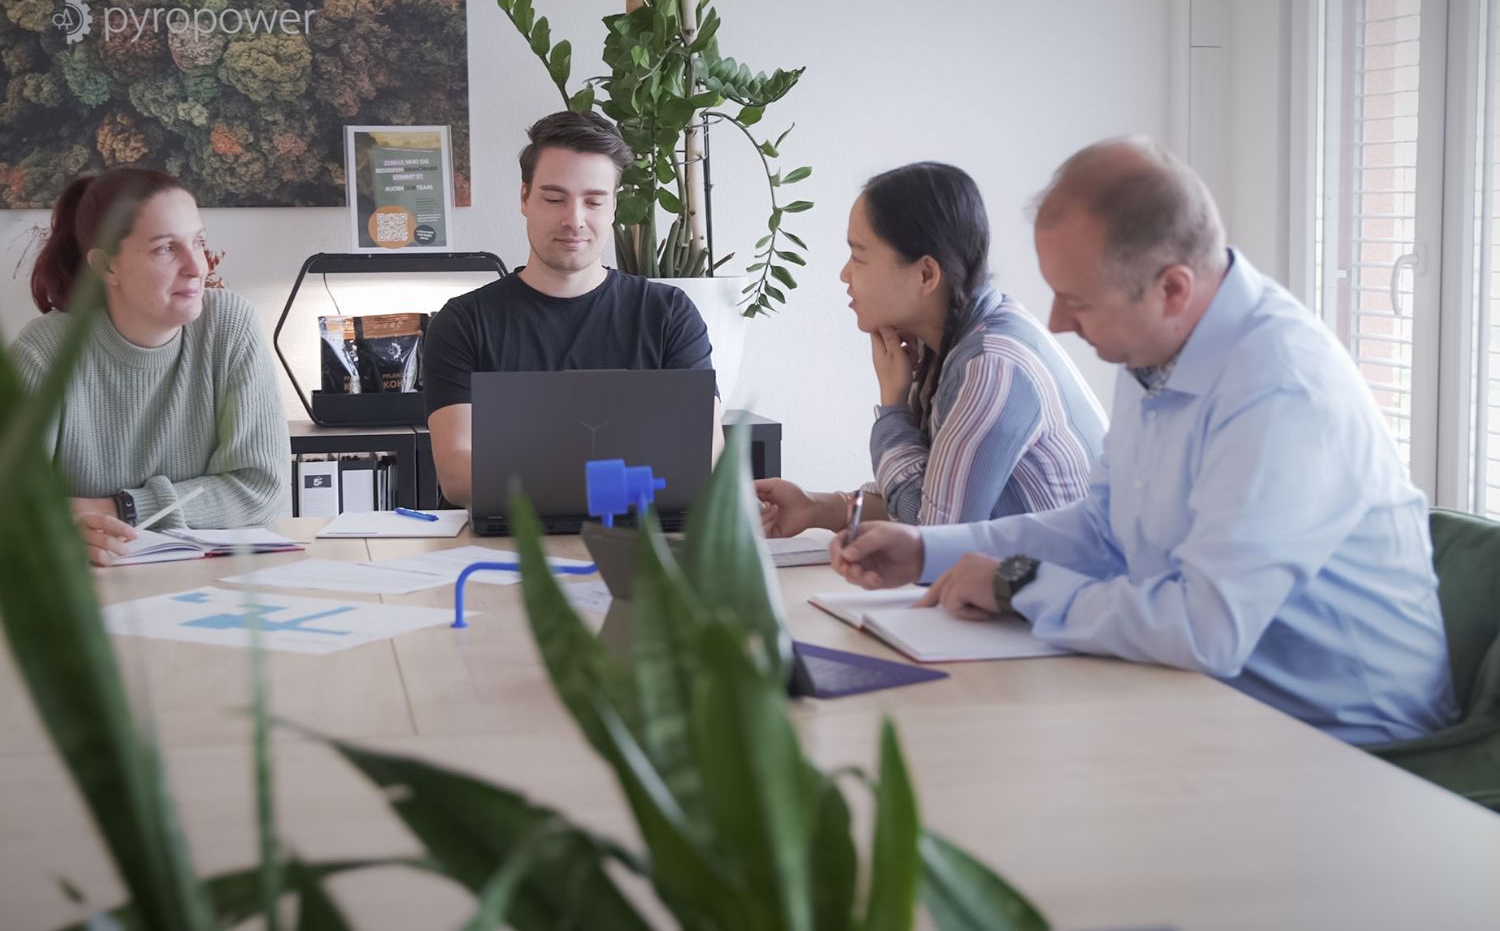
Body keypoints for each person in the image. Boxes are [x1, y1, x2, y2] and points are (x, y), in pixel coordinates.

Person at [830, 137, 1456, 745]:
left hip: (1349, 741)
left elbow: (1205, 630)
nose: (1057, 324)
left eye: (1078, 301)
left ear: (1172, 289)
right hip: (1215, 698)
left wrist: (1016, 584)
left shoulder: (1280, 389)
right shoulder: (1158, 347)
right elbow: (1105, 529)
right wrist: (925, 550)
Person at [757, 162, 1105, 537]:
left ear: (925, 274)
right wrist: (815, 509)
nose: (845, 274)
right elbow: (929, 504)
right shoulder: (959, 342)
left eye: (858, 257)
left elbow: (933, 535)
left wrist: (894, 409)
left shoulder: (991, 365)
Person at [423, 110, 719, 507]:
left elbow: (704, 454)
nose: (573, 220)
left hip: (639, 535)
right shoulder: (463, 322)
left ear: (614, 206)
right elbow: (458, 475)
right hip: (507, 538)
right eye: (554, 199)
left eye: (593, 201)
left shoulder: (668, 314)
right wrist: (616, 481)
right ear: (525, 198)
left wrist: (547, 478)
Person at [11, 167, 289, 566]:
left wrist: (118, 509)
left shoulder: (229, 325)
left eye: (199, 242)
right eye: (166, 248)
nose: (197, 267)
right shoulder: (45, 353)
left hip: (212, 582)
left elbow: (261, 487)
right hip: (91, 583)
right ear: (106, 267)